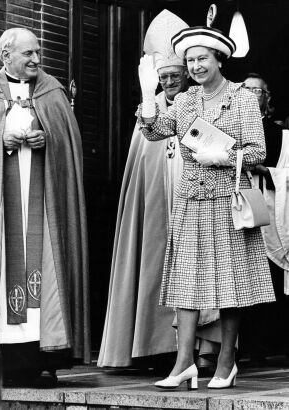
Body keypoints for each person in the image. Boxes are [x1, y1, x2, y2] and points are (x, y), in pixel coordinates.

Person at [137, 26, 275, 389]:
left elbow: (258, 151)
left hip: (229, 199)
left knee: (230, 286)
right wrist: (146, 97)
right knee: (186, 283)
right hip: (191, 200)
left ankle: (226, 363)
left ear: (218, 60)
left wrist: (225, 156)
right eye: (191, 60)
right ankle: (183, 364)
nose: (196, 66)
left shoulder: (242, 98)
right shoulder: (185, 101)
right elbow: (154, 132)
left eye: (202, 58)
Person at [98, 11, 221, 371]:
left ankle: (205, 351)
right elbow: (144, 159)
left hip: (194, 204)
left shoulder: (201, 107)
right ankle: (153, 349)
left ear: (185, 76)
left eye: (174, 76)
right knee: (152, 265)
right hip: (155, 211)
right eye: (163, 77)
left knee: (201, 273)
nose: (169, 82)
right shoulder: (146, 115)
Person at [0, 27, 90, 386]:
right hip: (1, 213)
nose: (37, 59)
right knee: (2, 271)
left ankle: (44, 359)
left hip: (42, 205)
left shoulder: (51, 92)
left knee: (46, 270)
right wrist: (0, 141)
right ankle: (0, 360)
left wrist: (48, 140)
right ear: (6, 55)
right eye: (28, 54)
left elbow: (69, 149)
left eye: (38, 52)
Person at [241, 73, 289, 362]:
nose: (249, 94)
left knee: (272, 280)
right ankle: (244, 345)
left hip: (272, 212)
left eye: (255, 91)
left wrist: (267, 172)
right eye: (244, 89)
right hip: (237, 210)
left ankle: (272, 344)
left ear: (266, 97)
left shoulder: (281, 136)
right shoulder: (230, 130)